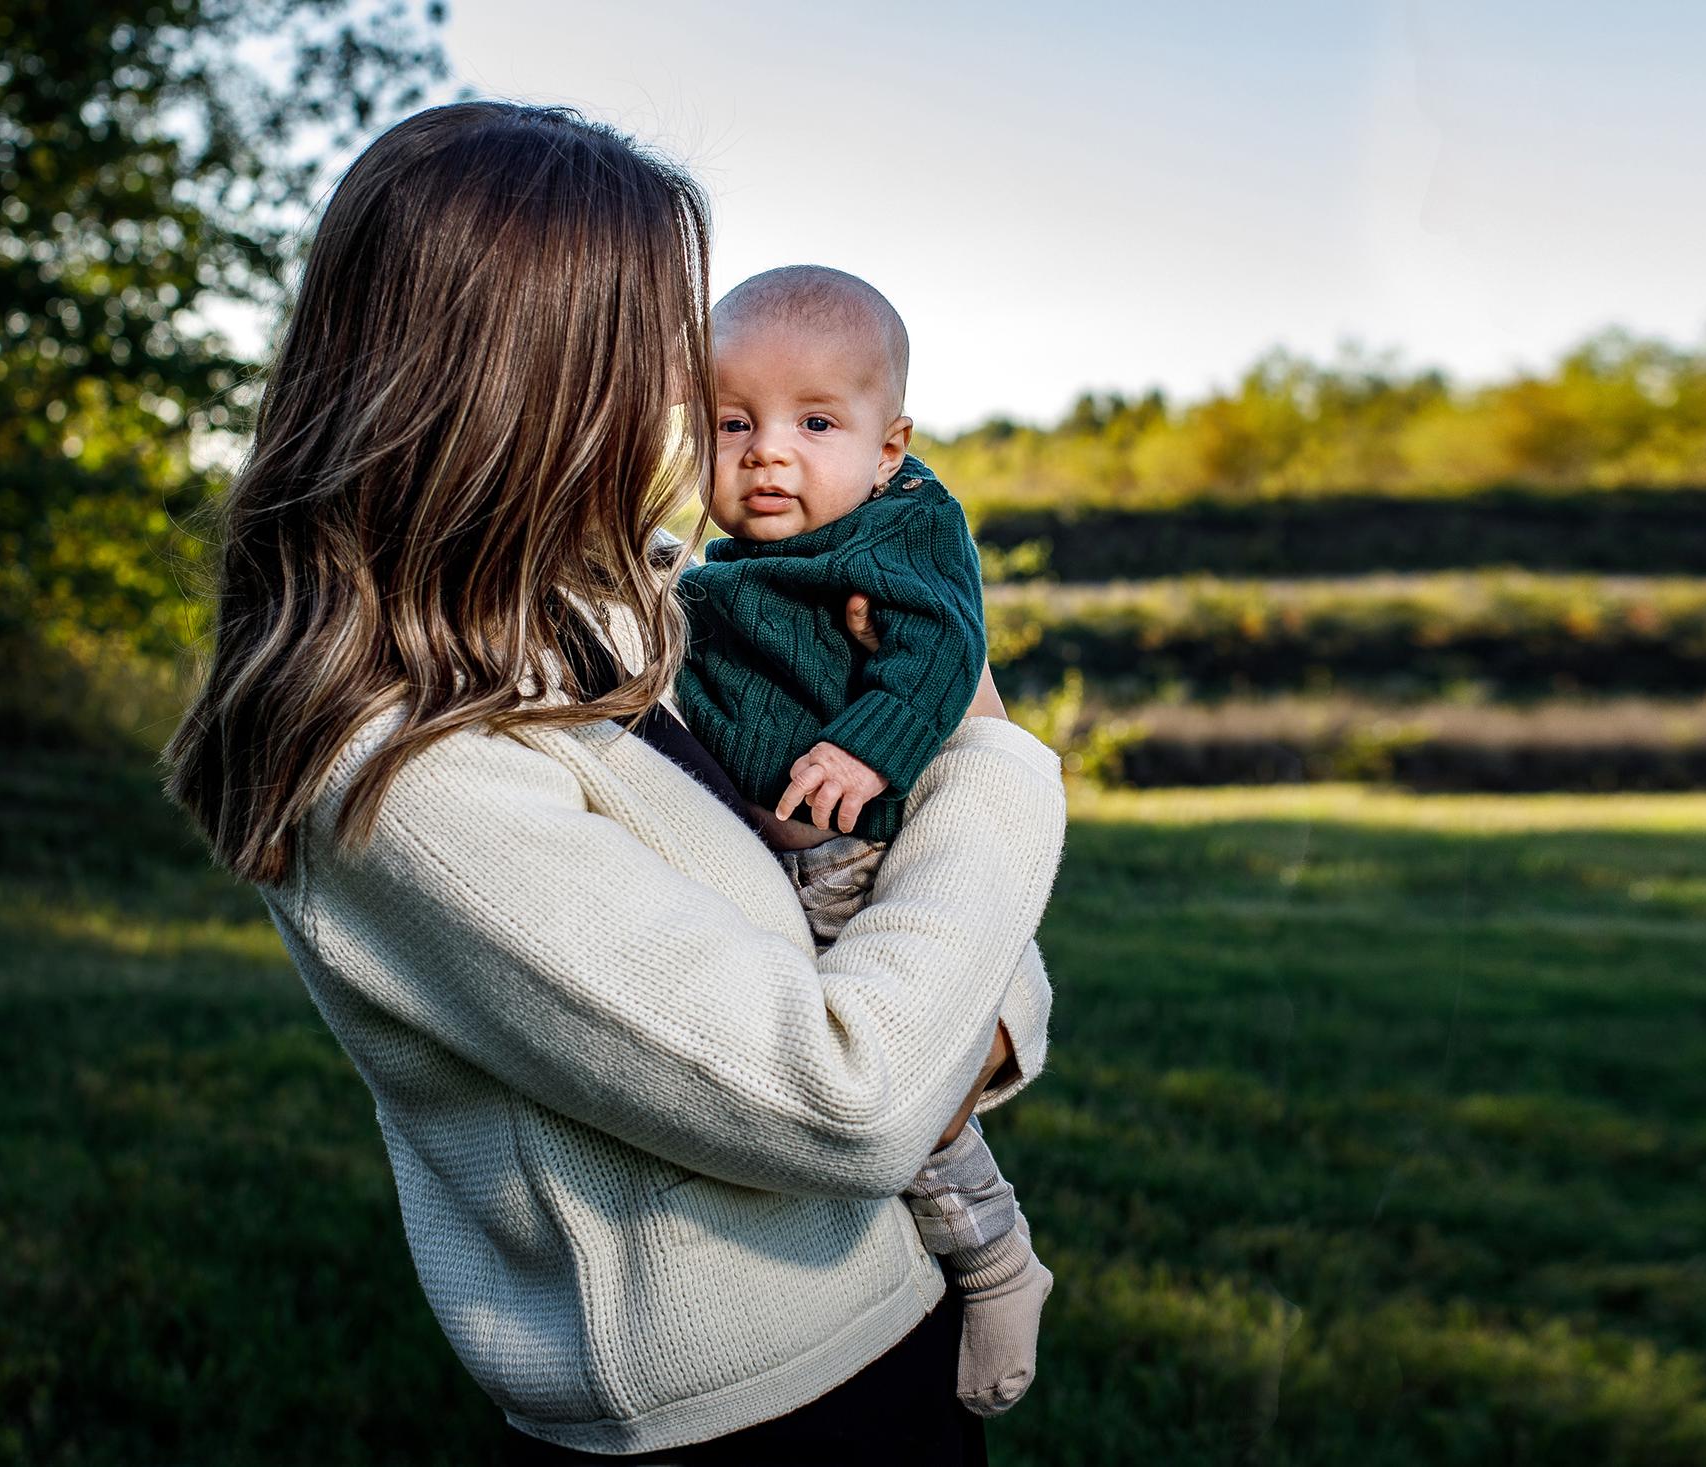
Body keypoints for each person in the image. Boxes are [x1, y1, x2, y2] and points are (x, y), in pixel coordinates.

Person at [162, 100, 1064, 1466]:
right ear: (527, 376)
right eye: (653, 352)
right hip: (730, 1419)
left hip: (887, 1325)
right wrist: (995, 754)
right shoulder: (410, 773)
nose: (673, 405)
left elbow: (919, 952)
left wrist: (972, 1025)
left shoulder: (614, 617)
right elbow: (854, 1093)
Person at [673, 264, 1055, 1419]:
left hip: (853, 856)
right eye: (731, 424)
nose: (766, 454)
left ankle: (992, 1257)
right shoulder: (724, 557)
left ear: (889, 447)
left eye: (813, 423)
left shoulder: (901, 527)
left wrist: (866, 752)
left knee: (895, 1092)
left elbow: (939, 650)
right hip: (765, 861)